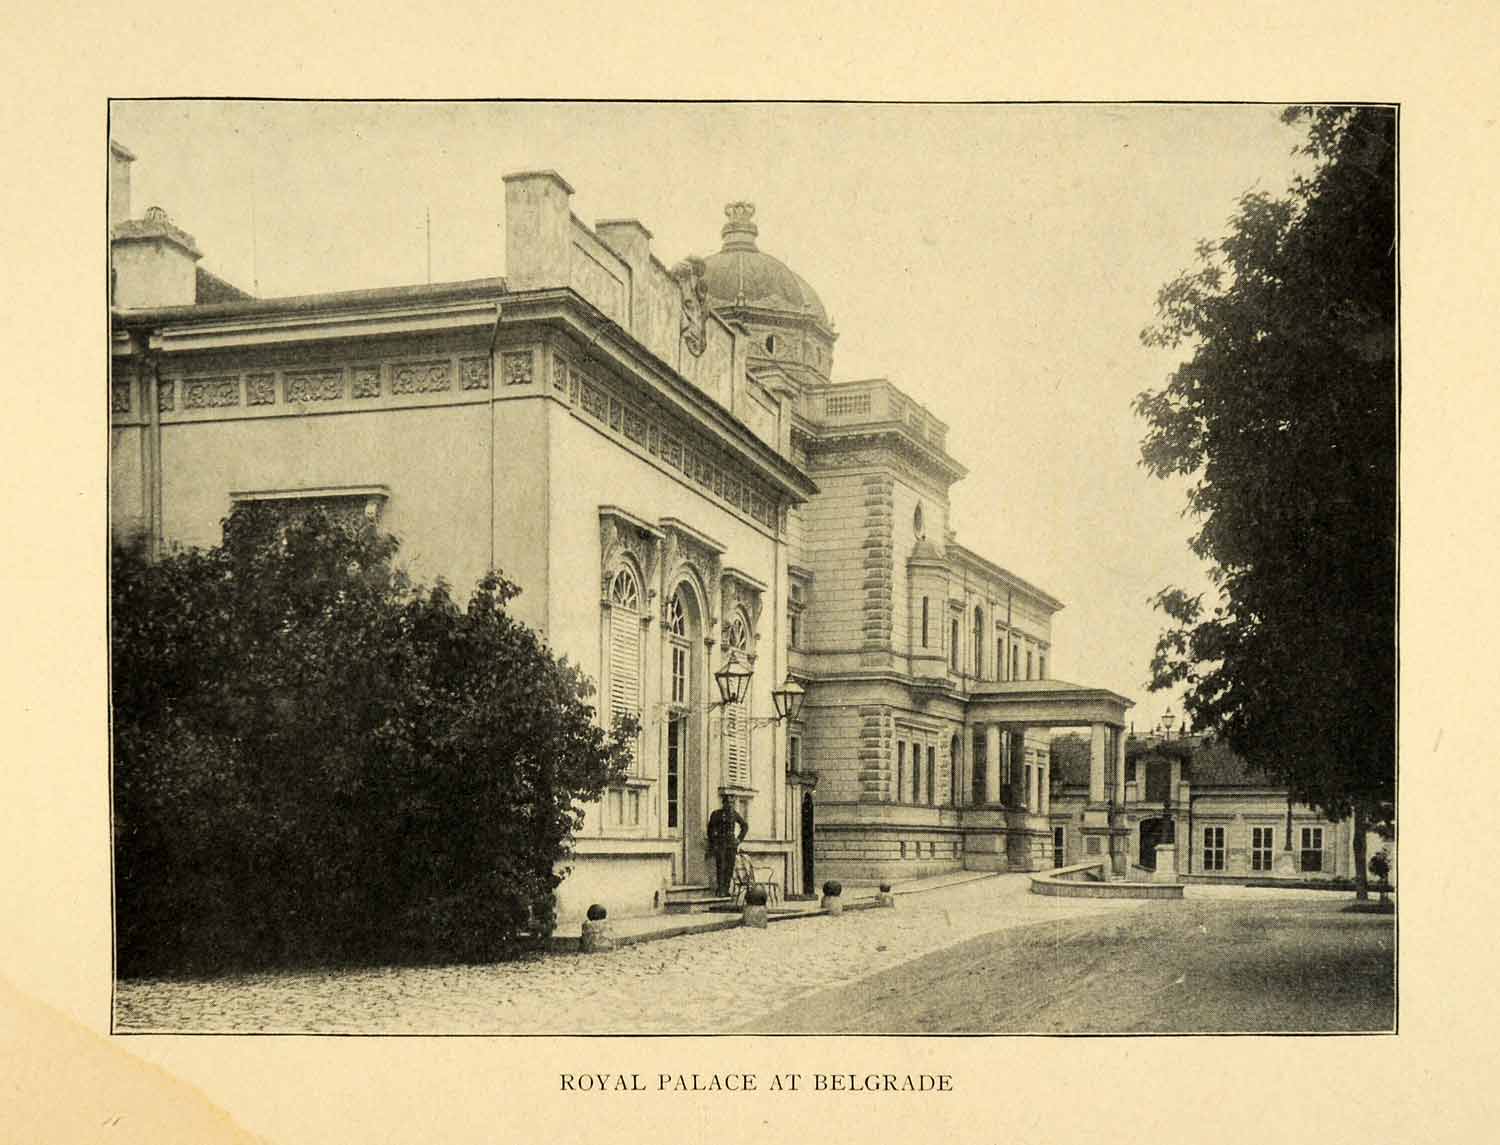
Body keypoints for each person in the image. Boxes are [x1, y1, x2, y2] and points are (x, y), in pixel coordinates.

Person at [705, 793, 748, 897]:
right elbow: (710, 829)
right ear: (723, 803)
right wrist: (713, 842)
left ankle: (726, 889)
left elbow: (744, 826)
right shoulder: (716, 814)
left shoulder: (734, 814)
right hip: (720, 844)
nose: (730, 805)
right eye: (728, 802)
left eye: (732, 803)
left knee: (729, 868)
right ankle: (720, 890)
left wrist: (739, 839)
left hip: (731, 845)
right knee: (721, 866)